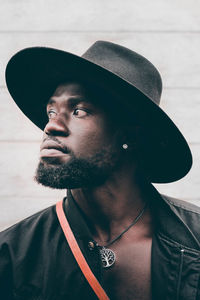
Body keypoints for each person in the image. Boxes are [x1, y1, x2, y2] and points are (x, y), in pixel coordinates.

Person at [0, 41, 200, 300]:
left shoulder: (194, 238)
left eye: (78, 111)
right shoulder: (12, 255)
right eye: (51, 111)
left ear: (132, 136)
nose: (51, 126)